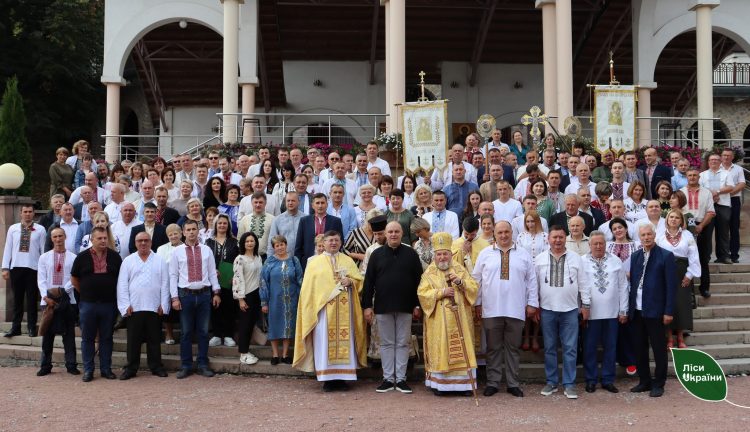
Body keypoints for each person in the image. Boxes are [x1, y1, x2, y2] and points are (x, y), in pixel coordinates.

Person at [293, 230, 366, 392]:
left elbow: (360, 281)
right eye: (330, 240)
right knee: (324, 343)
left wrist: (351, 281)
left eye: (336, 240)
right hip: (323, 312)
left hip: (346, 311)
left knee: (346, 341)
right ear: (323, 243)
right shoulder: (314, 263)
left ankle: (343, 378)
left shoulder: (348, 260)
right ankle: (327, 379)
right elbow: (308, 291)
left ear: (340, 243)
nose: (333, 243)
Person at [473, 221, 538, 397]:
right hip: (491, 308)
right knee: (493, 348)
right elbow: (476, 280)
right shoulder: (485, 254)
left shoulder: (523, 254)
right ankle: (493, 382)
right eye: (500, 232)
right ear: (494, 234)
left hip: (515, 308)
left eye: (506, 232)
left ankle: (512, 383)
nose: (503, 235)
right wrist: (477, 303)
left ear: (512, 232)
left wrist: (532, 303)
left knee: (513, 347)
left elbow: (532, 280)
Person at [363, 222, 423, 394]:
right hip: (382, 306)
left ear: (402, 233)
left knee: (403, 343)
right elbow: (369, 282)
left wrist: (417, 304)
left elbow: (419, 281)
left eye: (397, 231)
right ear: (385, 234)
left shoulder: (411, 254)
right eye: (390, 232)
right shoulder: (376, 254)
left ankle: (401, 379)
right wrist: (367, 306)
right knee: (387, 344)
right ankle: (388, 379)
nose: (393, 234)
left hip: (406, 306)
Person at [418, 232, 479, 396]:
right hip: (439, 322)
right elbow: (422, 294)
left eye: (445, 253)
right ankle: (441, 385)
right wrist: (441, 292)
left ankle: (465, 386)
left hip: (461, 318)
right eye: (439, 254)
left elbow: (474, 288)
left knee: (463, 346)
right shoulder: (428, 273)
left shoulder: (459, 269)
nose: (442, 257)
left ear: (450, 254)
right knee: (442, 349)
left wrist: (461, 282)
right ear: (435, 255)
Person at [535, 225, 591, 399]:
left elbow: (583, 283)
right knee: (550, 348)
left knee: (570, 348)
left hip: (570, 310)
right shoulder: (539, 259)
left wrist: (586, 305)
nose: (557, 240)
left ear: (564, 238)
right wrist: (534, 305)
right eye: (554, 237)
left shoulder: (576, 258)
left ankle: (569, 383)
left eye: (560, 237)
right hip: (547, 309)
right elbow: (534, 285)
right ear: (548, 239)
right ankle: (551, 382)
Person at [169, 219, 222, 379]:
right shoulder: (176, 252)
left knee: (203, 332)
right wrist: (174, 298)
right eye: (188, 230)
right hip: (185, 295)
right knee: (185, 332)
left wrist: (216, 292)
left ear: (198, 231)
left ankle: (202, 364)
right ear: (183, 232)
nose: (191, 232)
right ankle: (186, 365)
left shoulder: (206, 250)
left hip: (205, 295)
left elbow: (212, 272)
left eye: (194, 229)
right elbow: (173, 276)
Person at [629, 223, 676, 398]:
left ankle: (659, 383)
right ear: (639, 238)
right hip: (637, 310)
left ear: (654, 235)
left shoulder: (666, 256)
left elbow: (671, 287)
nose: (646, 237)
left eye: (649, 234)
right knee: (639, 348)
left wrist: (668, 311)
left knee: (658, 349)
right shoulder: (635, 257)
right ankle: (644, 381)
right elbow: (633, 284)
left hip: (656, 311)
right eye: (643, 235)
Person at [70, 226, 122, 382]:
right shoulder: (81, 257)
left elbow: (121, 280)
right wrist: (86, 293)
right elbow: (74, 279)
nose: (103, 240)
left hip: (109, 304)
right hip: (88, 305)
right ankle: (88, 370)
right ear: (91, 239)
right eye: (99, 238)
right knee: (87, 338)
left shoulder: (114, 257)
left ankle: (106, 369)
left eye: (105, 238)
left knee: (107, 338)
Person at [116, 232, 170, 380]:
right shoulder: (128, 261)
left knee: (154, 339)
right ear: (135, 243)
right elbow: (122, 284)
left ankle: (156, 366)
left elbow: (165, 284)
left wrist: (164, 304)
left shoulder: (159, 260)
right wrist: (125, 305)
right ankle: (131, 368)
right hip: (134, 306)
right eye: (140, 241)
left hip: (154, 306)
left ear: (151, 242)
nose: (143, 243)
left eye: (146, 240)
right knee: (133, 340)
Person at [581, 231, 628, 394]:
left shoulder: (615, 261)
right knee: (590, 348)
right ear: (589, 245)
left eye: (601, 243)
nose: (598, 246)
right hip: (591, 314)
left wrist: (623, 310)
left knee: (610, 347)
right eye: (595, 243)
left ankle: (608, 379)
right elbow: (581, 287)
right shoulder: (582, 262)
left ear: (606, 244)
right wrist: (583, 307)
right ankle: (591, 380)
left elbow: (623, 286)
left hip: (612, 313)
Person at [36, 228, 79, 376]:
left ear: (65, 237)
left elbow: (74, 278)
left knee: (69, 334)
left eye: (60, 236)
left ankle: (71, 364)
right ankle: (45, 365)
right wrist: (45, 297)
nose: (58, 239)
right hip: (48, 299)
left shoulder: (73, 257)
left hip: (68, 299)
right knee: (47, 334)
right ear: (51, 239)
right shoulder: (44, 257)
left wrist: (63, 290)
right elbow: (41, 279)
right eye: (55, 236)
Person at [657, 209, 700, 349]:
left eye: (677, 217)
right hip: (664, 272)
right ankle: (669, 338)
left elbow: (694, 255)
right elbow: (656, 255)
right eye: (671, 217)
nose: (673, 219)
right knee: (667, 304)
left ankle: (680, 337)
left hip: (682, 272)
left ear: (681, 220)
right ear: (667, 219)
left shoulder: (687, 235)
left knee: (681, 304)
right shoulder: (659, 235)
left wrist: (689, 275)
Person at [2, 204, 46, 338]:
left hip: (33, 268)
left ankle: (32, 328)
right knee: (17, 300)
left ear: (34, 213)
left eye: (30, 212)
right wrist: (5, 267)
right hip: (16, 267)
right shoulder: (13, 229)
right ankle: (16, 327)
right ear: (21, 213)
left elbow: (43, 250)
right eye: (25, 211)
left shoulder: (40, 229)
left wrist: (44, 269)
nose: (27, 214)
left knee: (32, 300)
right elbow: (8, 248)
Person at [259, 235, 303, 365]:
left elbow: (300, 279)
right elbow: (263, 282)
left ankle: (285, 354)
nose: (280, 247)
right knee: (274, 326)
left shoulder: (294, 260)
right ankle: (275, 354)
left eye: (282, 244)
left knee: (288, 326)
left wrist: (302, 297)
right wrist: (264, 301)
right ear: (273, 248)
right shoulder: (269, 262)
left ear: (286, 245)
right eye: (277, 245)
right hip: (274, 300)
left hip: (292, 300)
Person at [205, 214, 239, 348]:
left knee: (229, 306)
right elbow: (205, 261)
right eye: (219, 223)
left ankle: (229, 335)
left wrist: (235, 275)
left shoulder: (234, 241)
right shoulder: (208, 242)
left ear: (228, 225)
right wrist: (211, 272)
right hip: (213, 280)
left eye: (225, 223)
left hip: (230, 280)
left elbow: (239, 260)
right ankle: (217, 335)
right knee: (215, 306)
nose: (222, 225)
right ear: (215, 225)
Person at [681, 167, 716, 297]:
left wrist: (701, 226)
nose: (692, 177)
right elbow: (678, 210)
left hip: (702, 226)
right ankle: (688, 289)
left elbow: (711, 212)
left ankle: (704, 288)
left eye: (695, 175)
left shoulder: (707, 193)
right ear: (686, 177)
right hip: (684, 227)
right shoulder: (680, 192)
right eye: (690, 175)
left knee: (703, 257)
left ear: (699, 177)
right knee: (685, 257)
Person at [231, 232, 264, 365]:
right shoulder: (240, 258)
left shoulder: (258, 257)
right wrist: (240, 299)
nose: (250, 243)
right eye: (247, 241)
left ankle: (247, 350)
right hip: (246, 295)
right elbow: (237, 279)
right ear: (243, 244)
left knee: (251, 324)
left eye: (252, 241)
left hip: (257, 294)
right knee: (245, 325)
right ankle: (243, 353)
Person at [700, 153, 734, 265]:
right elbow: (700, 188)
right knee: (707, 232)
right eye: (711, 160)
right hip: (707, 206)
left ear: (720, 162)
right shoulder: (702, 175)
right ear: (708, 162)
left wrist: (717, 192)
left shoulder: (727, 173)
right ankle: (706, 257)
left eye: (716, 160)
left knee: (723, 232)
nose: (714, 161)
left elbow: (730, 187)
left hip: (723, 205)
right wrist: (711, 195)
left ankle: (724, 256)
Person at [295, 193, 343, 269]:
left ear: (327, 204)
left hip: (330, 262)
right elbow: (299, 245)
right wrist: (299, 264)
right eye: (317, 203)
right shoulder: (304, 221)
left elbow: (340, 243)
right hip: (309, 262)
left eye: (322, 203)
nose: (320, 206)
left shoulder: (336, 221)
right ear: (312, 205)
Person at [156, 223, 183, 344]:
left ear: (181, 233)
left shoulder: (187, 246)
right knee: (168, 310)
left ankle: (185, 333)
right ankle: (169, 333)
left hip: (183, 282)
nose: (173, 236)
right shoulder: (161, 249)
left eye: (175, 233)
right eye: (170, 234)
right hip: (166, 282)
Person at [720, 148, 745, 263]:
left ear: (732, 157)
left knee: (734, 227)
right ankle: (722, 255)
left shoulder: (738, 169)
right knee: (721, 228)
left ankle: (734, 254)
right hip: (720, 201)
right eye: (724, 155)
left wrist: (730, 193)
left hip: (734, 200)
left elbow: (742, 183)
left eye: (728, 155)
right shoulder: (716, 168)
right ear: (721, 156)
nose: (726, 157)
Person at [267, 192, 305, 258]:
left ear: (299, 202)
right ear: (285, 202)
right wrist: (270, 259)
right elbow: (272, 240)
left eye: (293, 201)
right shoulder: (277, 220)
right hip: (283, 258)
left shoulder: (305, 218)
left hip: (302, 257)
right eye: (288, 201)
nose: (290, 203)